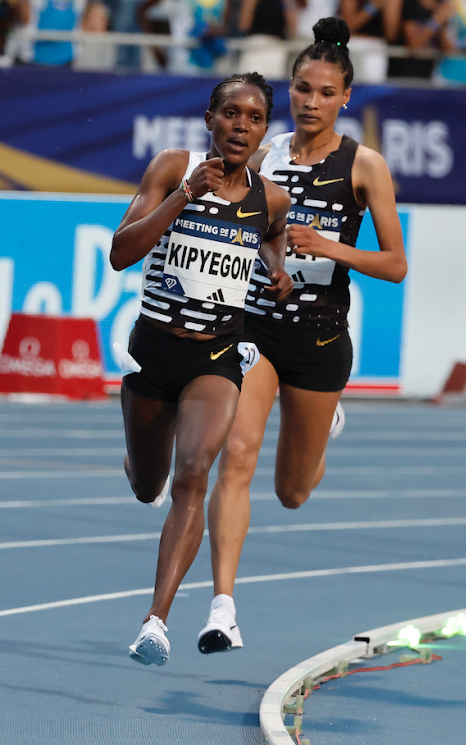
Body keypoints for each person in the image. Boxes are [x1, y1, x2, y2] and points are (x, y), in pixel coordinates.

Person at [198, 16, 407, 655]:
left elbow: (395, 264)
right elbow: (243, 234)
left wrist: (332, 248)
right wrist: (270, 263)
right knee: (236, 454)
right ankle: (223, 608)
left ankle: (324, 426)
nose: (311, 102)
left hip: (319, 341)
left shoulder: (364, 165)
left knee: (292, 492)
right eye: (301, 90)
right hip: (256, 328)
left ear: (346, 99)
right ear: (288, 92)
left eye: (324, 93)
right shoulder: (263, 156)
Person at [109, 72, 292, 667]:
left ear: (264, 128)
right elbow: (121, 252)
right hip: (153, 353)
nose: (242, 125)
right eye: (231, 113)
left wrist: (277, 268)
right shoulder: (173, 166)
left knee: (195, 473)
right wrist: (185, 194)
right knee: (148, 485)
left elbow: (270, 237)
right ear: (210, 118)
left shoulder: (271, 197)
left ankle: (154, 622)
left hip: (216, 356)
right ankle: (141, 461)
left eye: (256, 117)